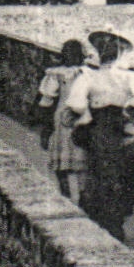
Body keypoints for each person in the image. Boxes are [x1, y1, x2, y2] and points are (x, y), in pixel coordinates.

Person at [62, 31, 134, 240]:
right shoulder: (129, 77)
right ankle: (116, 222)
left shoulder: (88, 76)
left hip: (99, 129)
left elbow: (76, 104)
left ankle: (102, 222)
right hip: (121, 128)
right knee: (121, 173)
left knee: (99, 173)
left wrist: (81, 115)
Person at [37, 39, 94, 203]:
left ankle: (76, 196)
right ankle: (72, 195)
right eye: (68, 53)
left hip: (73, 117)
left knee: (73, 158)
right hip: (72, 118)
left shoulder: (82, 73)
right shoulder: (63, 73)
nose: (70, 56)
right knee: (71, 159)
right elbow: (47, 100)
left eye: (73, 53)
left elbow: (46, 101)